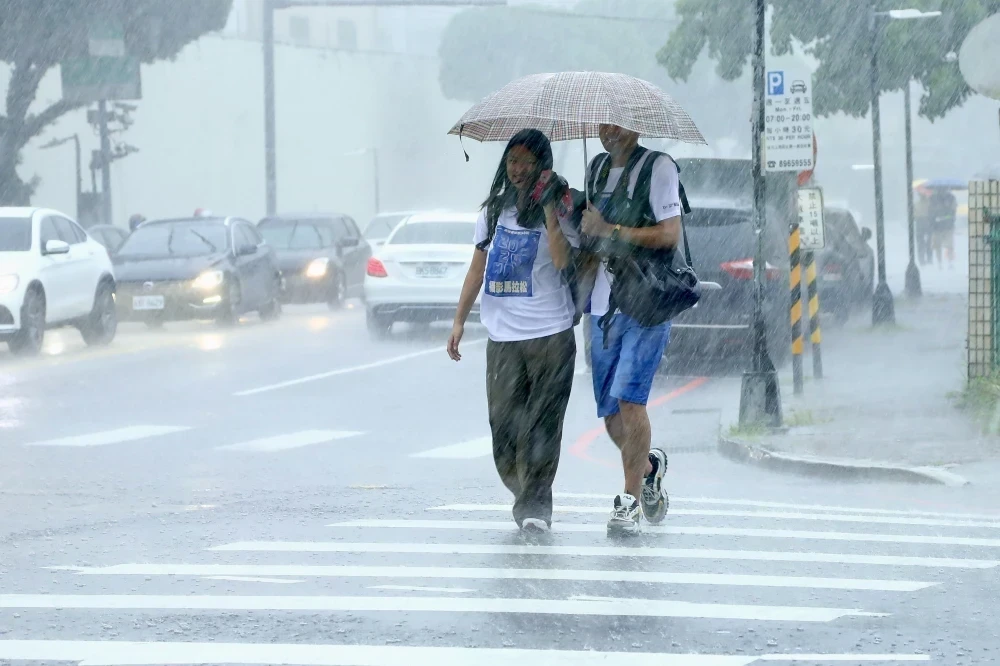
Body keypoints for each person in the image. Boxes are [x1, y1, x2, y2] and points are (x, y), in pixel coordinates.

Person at [447, 128, 579, 534]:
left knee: (541, 424)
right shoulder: (493, 212)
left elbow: (561, 261)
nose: (518, 169)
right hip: (503, 337)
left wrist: (549, 212)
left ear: (543, 165)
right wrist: (459, 319)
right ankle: (525, 490)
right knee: (503, 430)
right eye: (512, 161)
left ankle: (536, 504)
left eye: (526, 161)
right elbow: (477, 268)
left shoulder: (562, 206)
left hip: (551, 333)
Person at [581, 124, 682, 537]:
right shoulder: (596, 170)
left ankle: (628, 502)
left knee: (629, 400)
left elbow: (670, 233)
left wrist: (612, 231)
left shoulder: (658, 167)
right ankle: (648, 468)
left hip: (644, 304)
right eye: (604, 124)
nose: (610, 132)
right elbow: (588, 242)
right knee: (609, 416)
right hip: (601, 308)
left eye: (619, 124)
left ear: (637, 125)